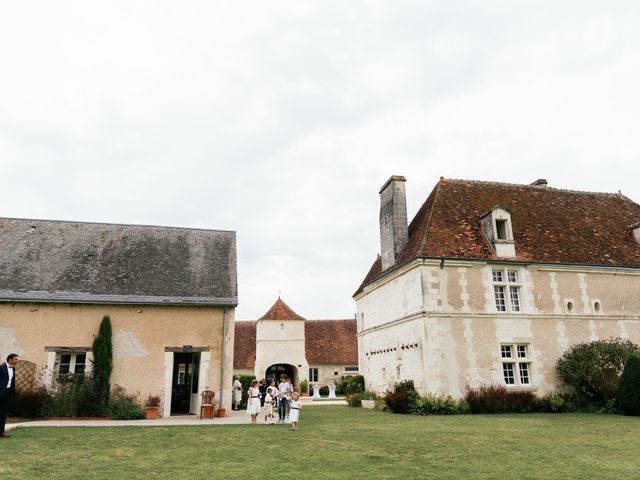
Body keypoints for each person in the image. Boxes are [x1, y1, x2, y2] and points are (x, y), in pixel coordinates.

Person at [0, 353, 18, 438]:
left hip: (7, 393)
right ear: (10, 360)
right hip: (0, 392)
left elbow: (12, 381)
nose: (17, 361)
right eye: (15, 359)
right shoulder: (1, 367)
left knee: (3, 413)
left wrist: (11, 392)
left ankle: (1, 432)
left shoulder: (13, 369)